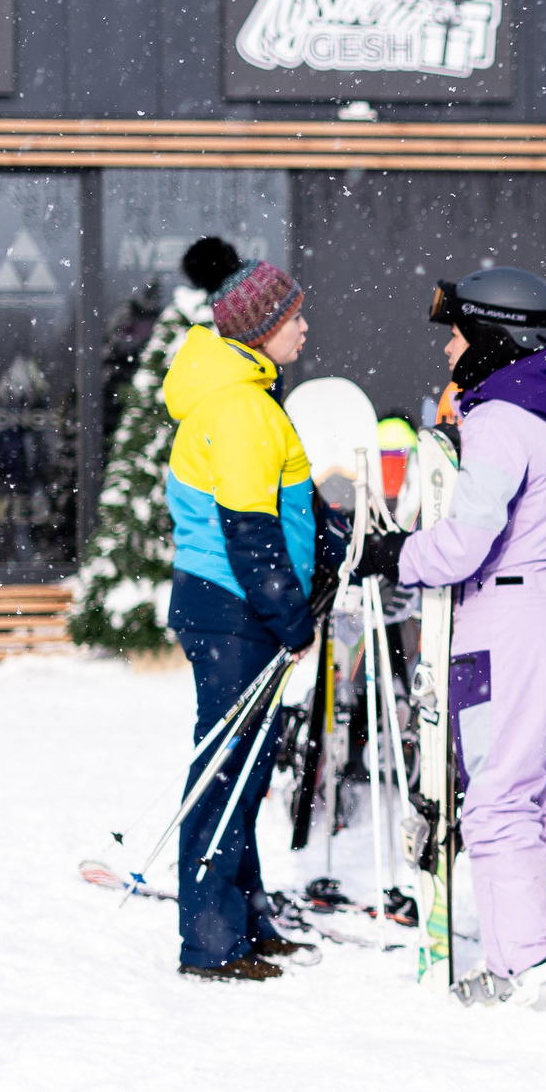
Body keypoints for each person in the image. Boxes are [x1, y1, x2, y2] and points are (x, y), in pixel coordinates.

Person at [348, 267, 546, 1013]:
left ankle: (523, 972)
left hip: (506, 625)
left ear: (492, 338)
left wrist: (394, 554)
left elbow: (464, 545)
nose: (449, 349)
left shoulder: (497, 423)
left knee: (497, 802)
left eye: (458, 333)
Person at [165, 237, 342, 983]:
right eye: (294, 317)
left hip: (238, 609)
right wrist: (292, 620)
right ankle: (210, 942)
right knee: (228, 772)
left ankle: (245, 919)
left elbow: (288, 507)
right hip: (234, 608)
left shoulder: (247, 395)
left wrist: (337, 541)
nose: (304, 328)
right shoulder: (238, 406)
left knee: (243, 770)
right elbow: (252, 532)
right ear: (262, 326)